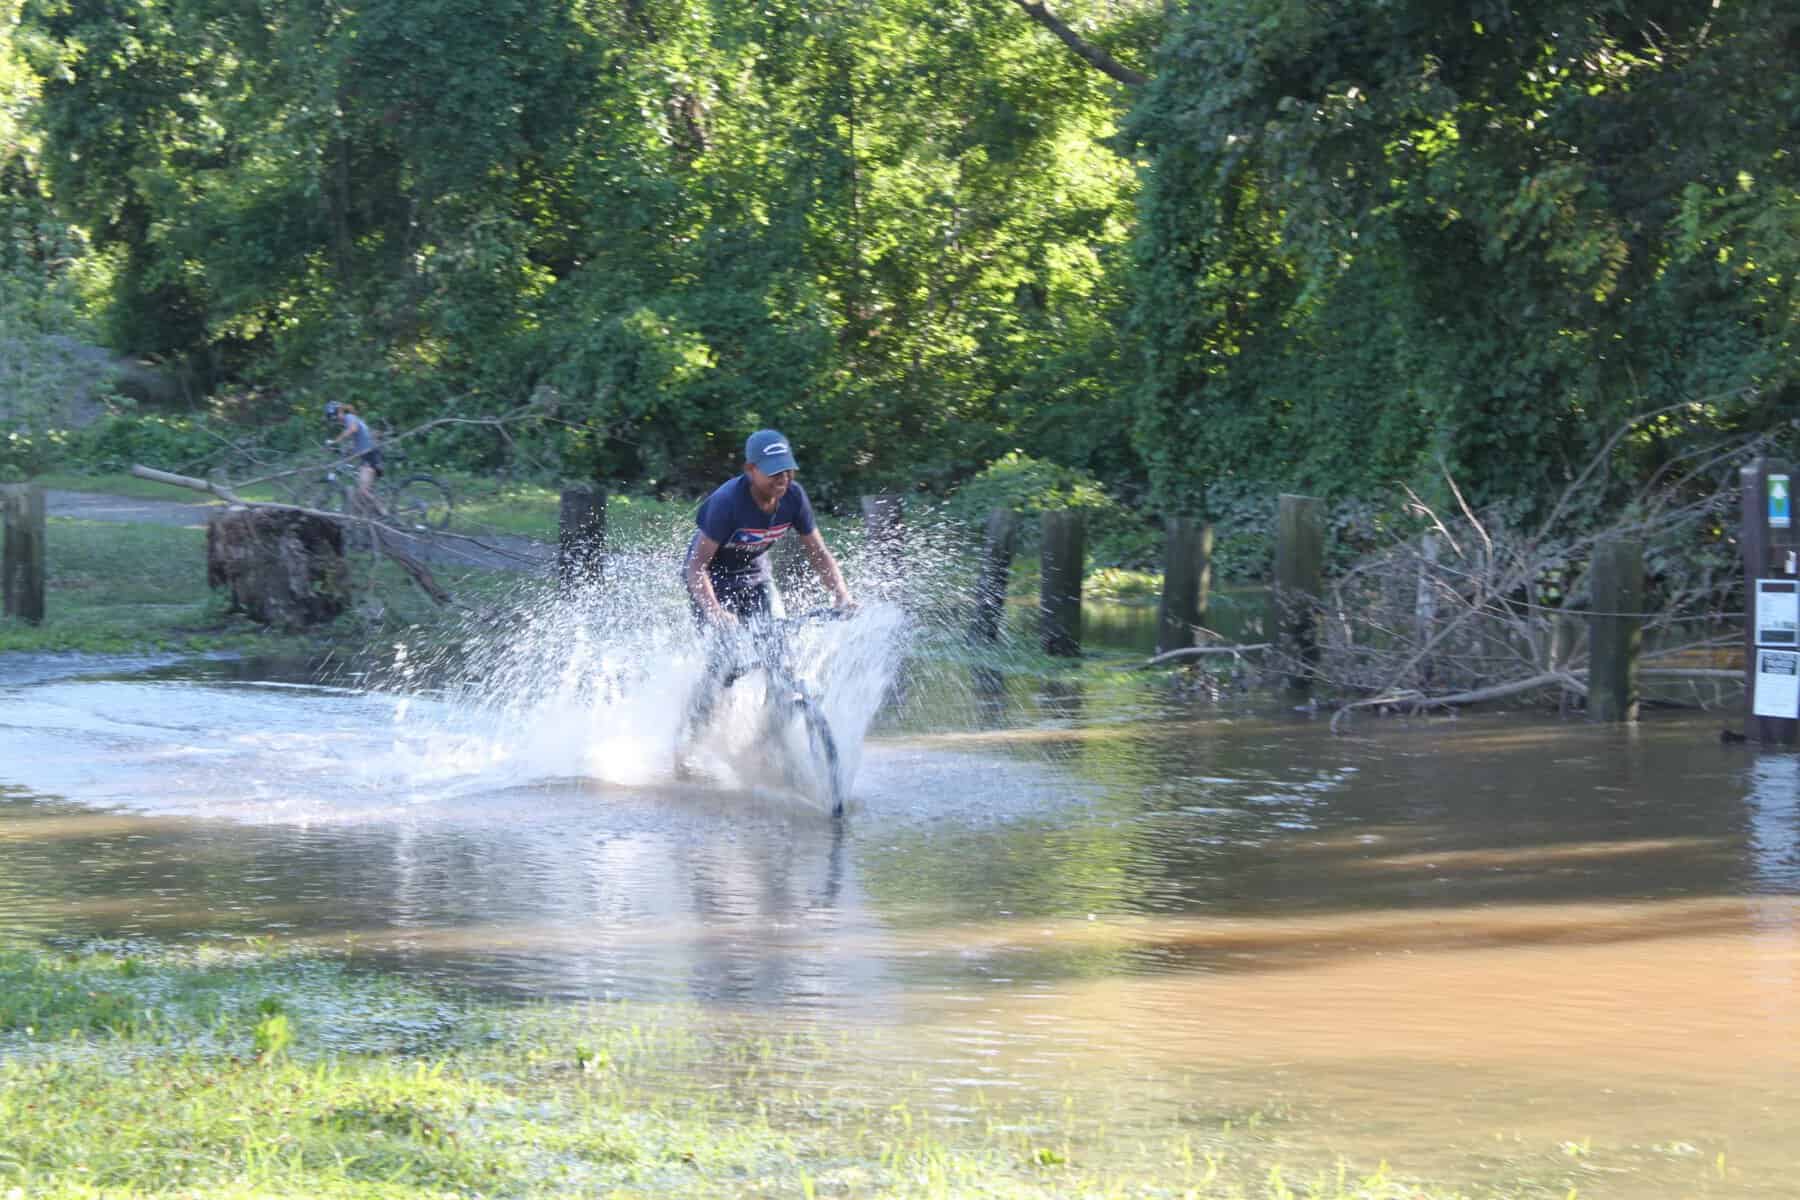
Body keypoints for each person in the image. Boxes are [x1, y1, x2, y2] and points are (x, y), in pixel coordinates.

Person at [678, 429, 854, 755]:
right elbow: (695, 568)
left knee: (780, 661)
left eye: (787, 469)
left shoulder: (794, 498)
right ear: (751, 470)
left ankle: (773, 745)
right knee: (723, 664)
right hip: (713, 582)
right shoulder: (727, 503)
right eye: (773, 470)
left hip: (756, 578)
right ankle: (688, 743)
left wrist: (841, 594)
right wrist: (716, 612)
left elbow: (819, 553)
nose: (782, 477)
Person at [323, 400, 383, 514]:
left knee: (363, 492)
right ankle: (364, 521)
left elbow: (352, 430)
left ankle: (386, 515)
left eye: (334, 417)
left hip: (370, 455)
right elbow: (358, 442)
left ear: (338, 412)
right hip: (367, 455)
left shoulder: (349, 417)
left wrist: (335, 442)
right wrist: (344, 451)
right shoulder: (349, 421)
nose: (336, 420)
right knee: (358, 496)